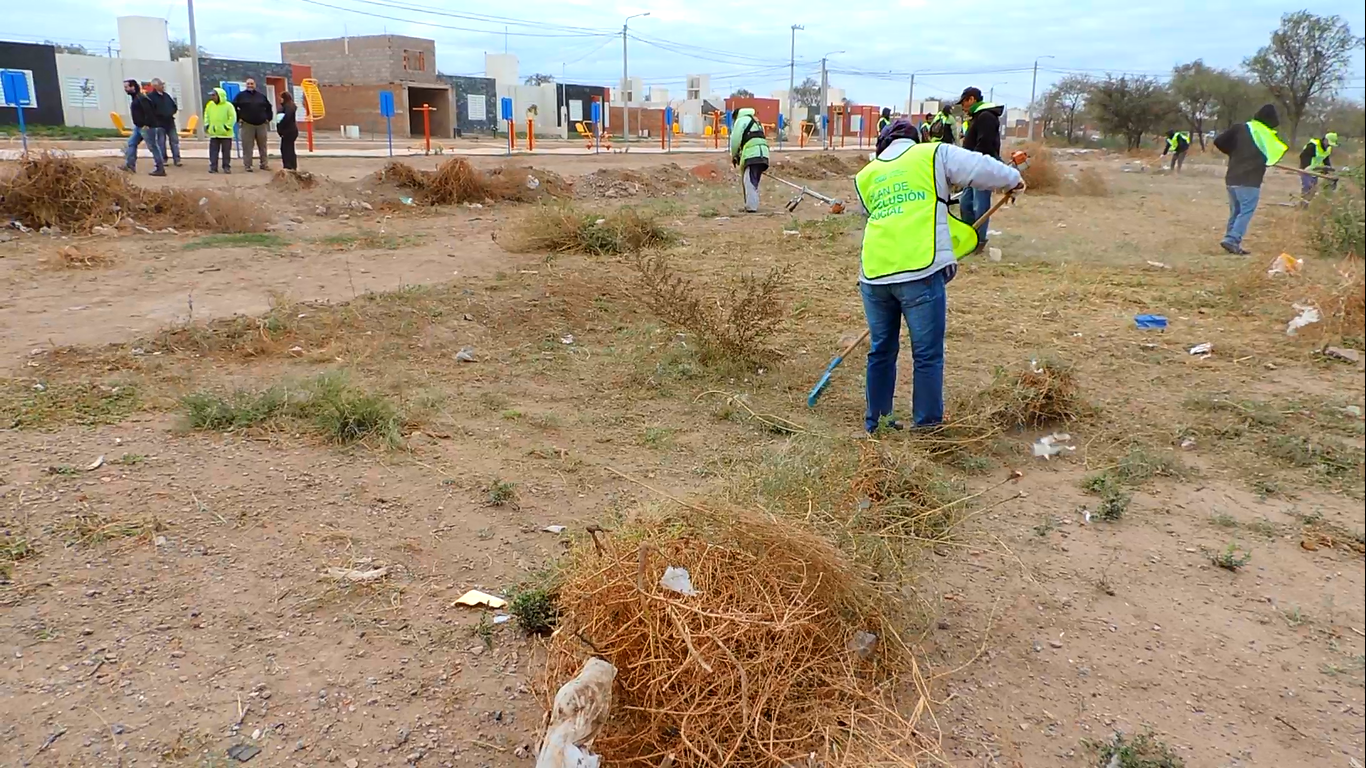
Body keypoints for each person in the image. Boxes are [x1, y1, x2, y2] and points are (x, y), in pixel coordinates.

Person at [853, 118, 1024, 433]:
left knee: (881, 349)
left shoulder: (866, 175)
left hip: (874, 275)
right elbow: (977, 168)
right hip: (920, 268)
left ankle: (876, 423)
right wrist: (1012, 178)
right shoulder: (932, 154)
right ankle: (927, 427)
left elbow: (872, 214)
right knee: (927, 354)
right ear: (915, 139)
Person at [1212, 104, 1286, 255]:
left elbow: (1218, 141)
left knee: (1236, 211)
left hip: (1232, 177)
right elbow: (1272, 158)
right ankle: (1232, 240)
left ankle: (1230, 241)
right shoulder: (1267, 136)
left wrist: (1233, 154)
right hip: (1250, 180)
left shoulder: (1240, 127)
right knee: (1246, 211)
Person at [957, 87, 1004, 253]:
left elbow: (984, 143)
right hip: (972, 167)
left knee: (980, 204)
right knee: (965, 202)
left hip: (982, 166)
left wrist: (974, 161)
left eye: (964, 102)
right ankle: (970, 235)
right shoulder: (978, 116)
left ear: (971, 99)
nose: (963, 106)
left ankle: (979, 241)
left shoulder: (986, 116)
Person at [120, 79, 165, 176]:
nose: (125, 89)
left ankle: (160, 168)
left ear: (132, 87)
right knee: (131, 143)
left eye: (126, 87)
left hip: (146, 127)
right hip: (139, 126)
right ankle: (130, 165)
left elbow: (149, 113)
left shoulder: (142, 99)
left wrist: (147, 125)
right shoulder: (136, 98)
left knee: (153, 147)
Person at [729, 107, 770, 213]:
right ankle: (751, 204)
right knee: (754, 180)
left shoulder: (741, 120)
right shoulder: (756, 120)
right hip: (763, 153)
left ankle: (751, 207)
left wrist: (734, 155)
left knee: (749, 180)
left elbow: (735, 139)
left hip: (752, 154)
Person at [233, 78, 273, 171]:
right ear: (245, 85)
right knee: (247, 146)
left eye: (251, 84)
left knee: (263, 146)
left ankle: (264, 164)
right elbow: (233, 107)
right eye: (248, 84)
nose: (250, 85)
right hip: (247, 124)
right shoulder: (240, 96)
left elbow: (269, 107)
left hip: (261, 125)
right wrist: (238, 118)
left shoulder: (261, 96)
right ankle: (248, 165)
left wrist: (268, 118)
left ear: (255, 85)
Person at [148, 78, 182, 168]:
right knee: (161, 142)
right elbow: (150, 110)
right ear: (155, 86)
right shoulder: (151, 97)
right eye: (161, 84)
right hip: (159, 123)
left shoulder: (166, 96)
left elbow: (174, 106)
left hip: (170, 122)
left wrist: (171, 112)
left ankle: (177, 159)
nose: (163, 86)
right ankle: (163, 159)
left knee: (174, 141)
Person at [204, 87, 237, 174]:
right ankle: (213, 167)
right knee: (213, 151)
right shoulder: (210, 105)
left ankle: (226, 167)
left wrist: (227, 127)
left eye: (214, 95)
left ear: (219, 95)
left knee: (226, 152)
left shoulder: (228, 106)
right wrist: (207, 125)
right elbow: (206, 115)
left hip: (226, 134)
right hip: (214, 133)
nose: (212, 97)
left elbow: (232, 117)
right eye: (211, 95)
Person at [1297, 131, 1338, 200]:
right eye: (1328, 143)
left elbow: (1325, 159)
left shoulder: (1328, 148)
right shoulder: (1313, 145)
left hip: (1316, 170)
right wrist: (1306, 168)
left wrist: (1328, 170)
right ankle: (1303, 204)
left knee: (1313, 188)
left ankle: (1309, 204)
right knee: (1307, 186)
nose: (1329, 145)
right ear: (1325, 140)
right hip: (1306, 169)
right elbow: (1303, 156)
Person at [277, 90, 300, 171]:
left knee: (286, 149)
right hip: (290, 130)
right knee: (289, 148)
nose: (280, 100)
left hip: (288, 131)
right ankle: (291, 166)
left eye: (281, 98)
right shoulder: (288, 106)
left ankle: (288, 166)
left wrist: (281, 128)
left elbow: (286, 118)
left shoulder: (288, 107)